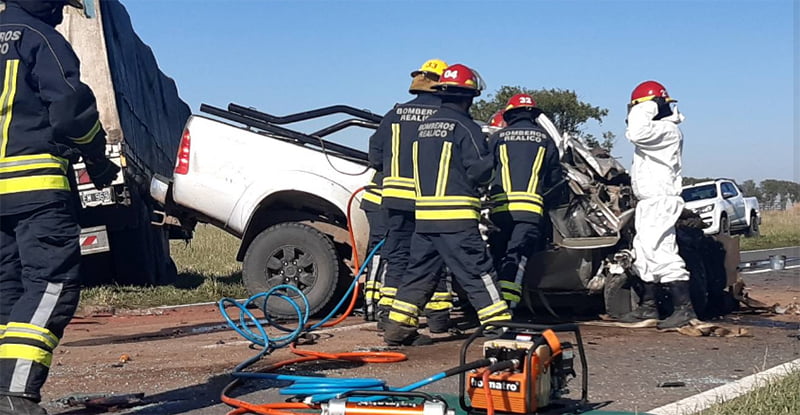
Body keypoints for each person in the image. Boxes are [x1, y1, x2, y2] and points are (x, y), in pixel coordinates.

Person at [0, 1, 120, 413]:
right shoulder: (39, 39)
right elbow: (71, 112)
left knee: (7, 291)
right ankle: (14, 395)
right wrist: (97, 159)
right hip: (35, 191)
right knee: (51, 284)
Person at [383, 64, 511, 346]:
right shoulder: (467, 127)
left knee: (418, 274)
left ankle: (397, 330)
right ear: (470, 97)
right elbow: (480, 171)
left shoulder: (423, 128)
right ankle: (499, 327)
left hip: (425, 219)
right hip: (457, 220)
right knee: (478, 271)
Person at [367, 59, 453, 333]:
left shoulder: (394, 114)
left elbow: (375, 155)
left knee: (398, 256)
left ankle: (386, 316)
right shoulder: (443, 114)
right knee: (432, 255)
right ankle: (438, 320)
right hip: (429, 199)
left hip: (393, 199)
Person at [619, 80, 696, 329]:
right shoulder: (660, 131)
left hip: (661, 200)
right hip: (650, 202)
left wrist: (647, 105)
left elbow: (636, 132)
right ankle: (649, 307)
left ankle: (684, 309)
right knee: (644, 252)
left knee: (661, 252)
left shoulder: (667, 130)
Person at [487, 94, 562, 309]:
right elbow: (554, 178)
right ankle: (509, 307)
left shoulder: (498, 138)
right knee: (517, 257)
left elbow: (484, 171)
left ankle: (491, 306)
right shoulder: (545, 139)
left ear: (509, 114)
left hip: (500, 211)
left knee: (498, 255)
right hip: (530, 213)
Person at [359, 170, 386, 321]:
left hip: (380, 200)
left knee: (381, 250)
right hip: (380, 201)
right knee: (381, 252)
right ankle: (371, 305)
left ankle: (374, 305)